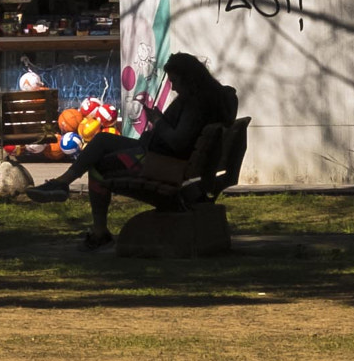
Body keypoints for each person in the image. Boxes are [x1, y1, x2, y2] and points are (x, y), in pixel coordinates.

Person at [28, 52, 237, 250]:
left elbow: (177, 141)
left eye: (175, 81)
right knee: (101, 140)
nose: (173, 88)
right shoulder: (212, 98)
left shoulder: (194, 105)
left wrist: (158, 121)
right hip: (158, 153)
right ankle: (62, 183)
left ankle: (98, 231)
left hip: (159, 162)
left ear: (189, 79)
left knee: (99, 168)